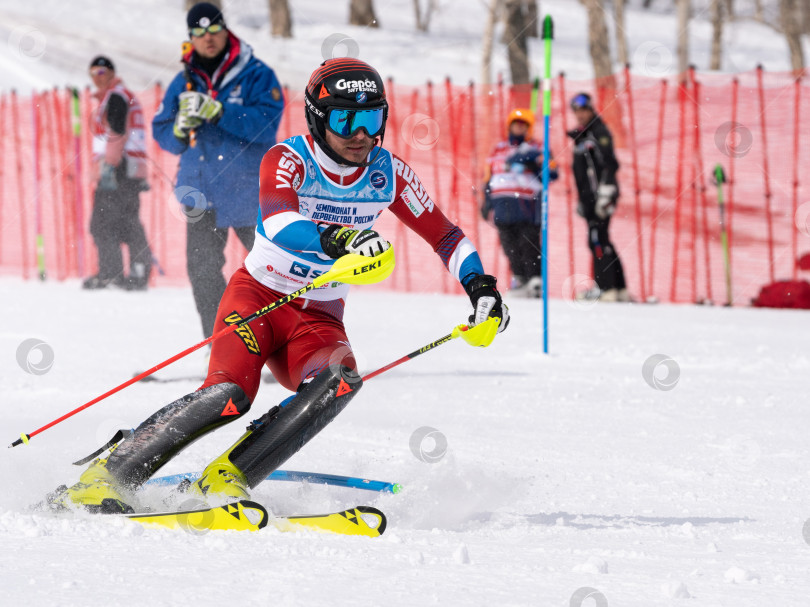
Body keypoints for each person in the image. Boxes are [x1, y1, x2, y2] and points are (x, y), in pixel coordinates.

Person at [49, 58, 510, 514]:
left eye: (371, 119)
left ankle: (228, 476)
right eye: (345, 118)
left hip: (317, 318)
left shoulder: (388, 173)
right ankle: (106, 476)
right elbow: (281, 220)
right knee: (228, 396)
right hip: (260, 299)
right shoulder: (287, 159)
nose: (360, 134)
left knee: (342, 380)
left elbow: (446, 235)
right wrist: (341, 237)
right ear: (317, 118)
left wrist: (482, 288)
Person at [152, 2, 285, 338]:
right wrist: (179, 129)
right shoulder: (184, 79)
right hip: (200, 193)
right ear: (191, 37)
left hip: (249, 193)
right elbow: (162, 130)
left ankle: (292, 346)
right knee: (203, 272)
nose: (207, 38)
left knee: (276, 272)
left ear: (225, 30)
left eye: (214, 30)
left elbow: (267, 125)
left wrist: (219, 111)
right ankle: (222, 346)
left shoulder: (256, 73)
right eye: (199, 32)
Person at [82, 56, 153, 291]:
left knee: (102, 223)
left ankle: (112, 274)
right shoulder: (122, 95)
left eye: (101, 72)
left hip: (118, 167)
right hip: (130, 168)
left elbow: (117, 132)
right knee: (127, 220)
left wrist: (108, 167)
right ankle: (138, 271)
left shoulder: (117, 97)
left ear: (112, 73)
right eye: (93, 73)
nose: (97, 77)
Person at [481, 108, 557, 298]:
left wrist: (533, 163)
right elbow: (489, 177)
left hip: (527, 205)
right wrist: (486, 202)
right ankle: (520, 278)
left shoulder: (537, 147)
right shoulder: (498, 149)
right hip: (502, 206)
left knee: (528, 243)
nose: (519, 128)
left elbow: (553, 172)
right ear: (510, 126)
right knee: (509, 246)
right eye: (516, 124)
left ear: (528, 129)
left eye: (523, 125)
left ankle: (535, 279)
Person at [567, 93, 629, 302]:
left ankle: (606, 287)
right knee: (601, 238)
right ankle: (618, 288)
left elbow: (610, 164)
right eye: (576, 111)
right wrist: (581, 200)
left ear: (591, 109)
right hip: (589, 197)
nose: (580, 115)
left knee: (596, 239)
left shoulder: (598, 131)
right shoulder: (582, 135)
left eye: (583, 110)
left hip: (601, 195)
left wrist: (606, 191)